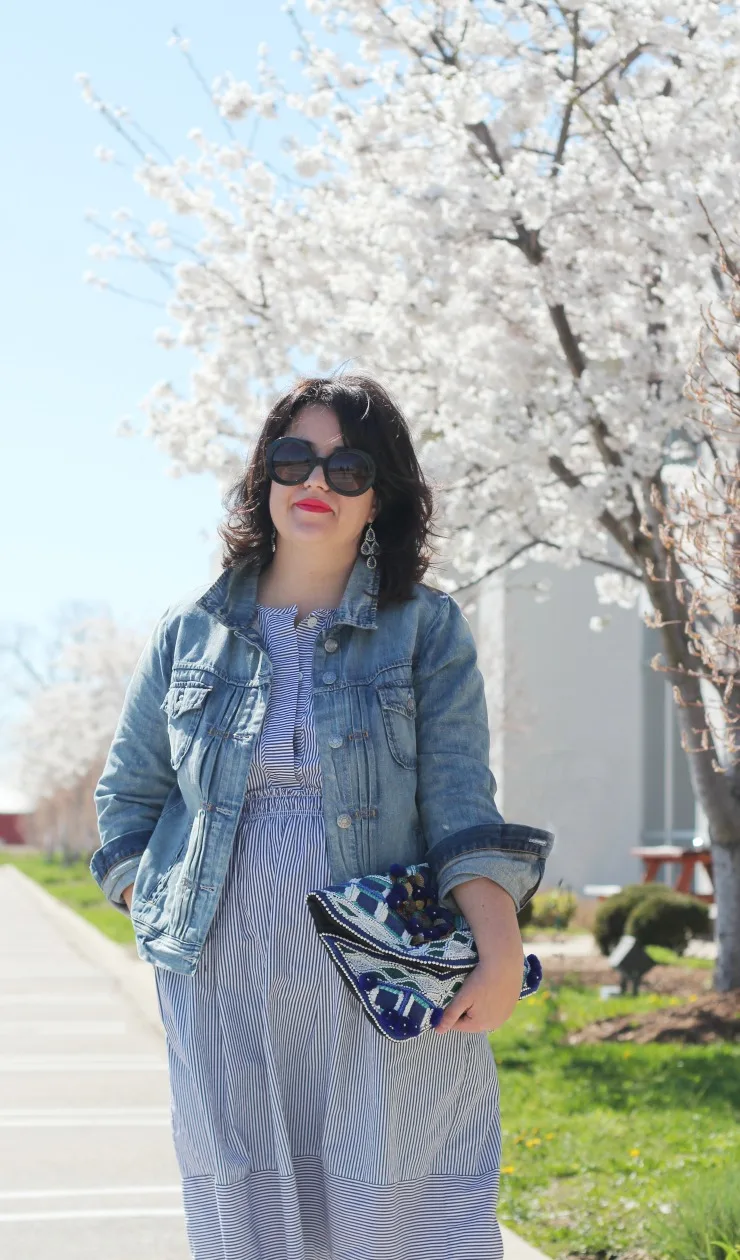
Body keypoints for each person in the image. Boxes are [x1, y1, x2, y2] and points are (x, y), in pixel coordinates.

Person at [90, 375, 554, 1260]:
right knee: (248, 1211)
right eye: (295, 459)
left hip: (378, 971)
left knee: (401, 1203)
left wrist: (498, 952)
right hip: (220, 976)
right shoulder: (187, 634)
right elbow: (128, 803)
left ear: (381, 497)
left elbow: (461, 796)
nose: (316, 483)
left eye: (347, 468)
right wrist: (151, 903)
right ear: (265, 477)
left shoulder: (425, 629)